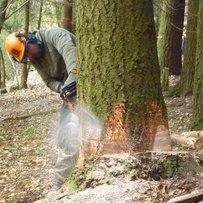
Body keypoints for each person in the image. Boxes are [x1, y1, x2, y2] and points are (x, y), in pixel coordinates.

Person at [5, 27, 79, 194]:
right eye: (25, 57)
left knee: (72, 132)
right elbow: (47, 80)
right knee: (64, 134)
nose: (29, 56)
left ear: (28, 38)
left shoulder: (53, 35)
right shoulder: (35, 60)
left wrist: (73, 75)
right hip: (70, 91)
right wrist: (61, 87)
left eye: (27, 51)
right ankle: (62, 181)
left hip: (82, 79)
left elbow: (69, 50)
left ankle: (59, 184)